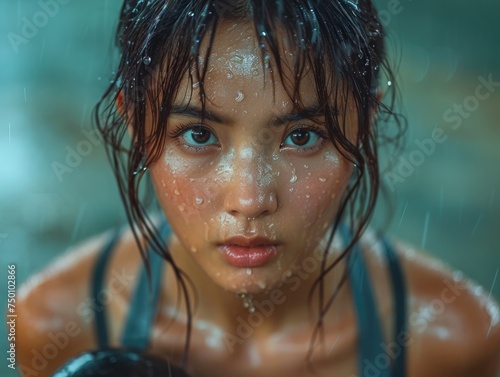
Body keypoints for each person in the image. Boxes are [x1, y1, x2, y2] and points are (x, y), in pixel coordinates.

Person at [16, 0, 499, 376]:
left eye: (302, 136)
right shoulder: (54, 323)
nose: (249, 199)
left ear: (364, 125)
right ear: (135, 124)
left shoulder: (452, 339)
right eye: (199, 135)